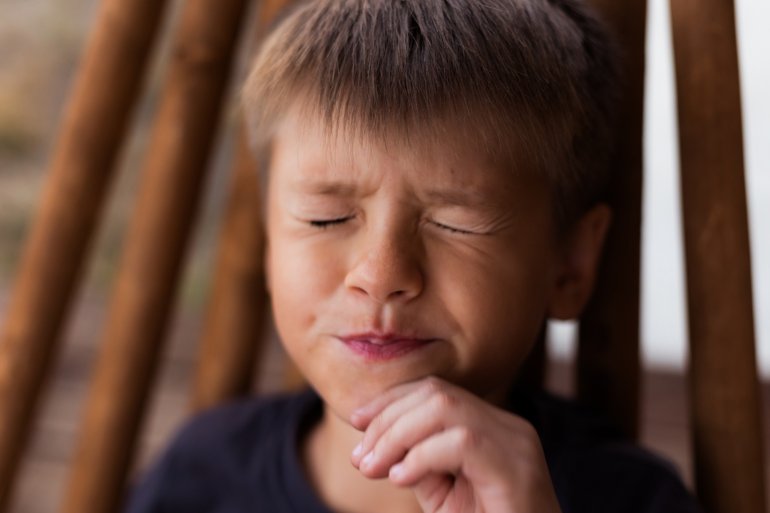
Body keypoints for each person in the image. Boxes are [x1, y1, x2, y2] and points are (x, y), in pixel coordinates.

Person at [125, 0, 703, 512]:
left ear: (571, 264)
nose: (380, 276)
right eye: (326, 218)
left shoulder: (632, 499)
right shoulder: (199, 475)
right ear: (270, 243)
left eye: (457, 224)